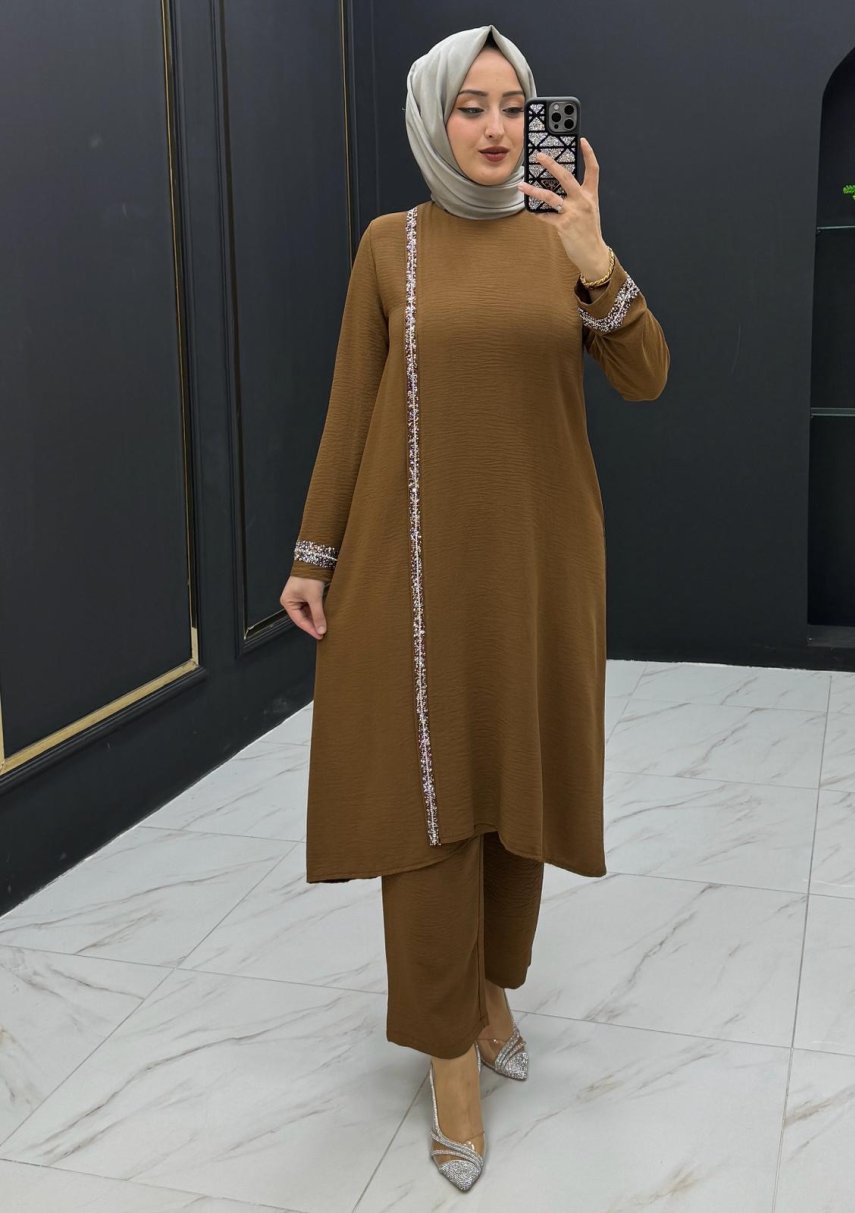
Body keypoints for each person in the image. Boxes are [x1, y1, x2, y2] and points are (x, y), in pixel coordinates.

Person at [279, 23, 669, 1192]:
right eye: (470, 105)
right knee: (426, 813)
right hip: (410, 575)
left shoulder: (562, 241)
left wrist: (598, 261)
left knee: (515, 793)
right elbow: (351, 407)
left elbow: (645, 376)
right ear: (432, 117)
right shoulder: (388, 246)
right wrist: (312, 555)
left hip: (542, 566)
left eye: (512, 104)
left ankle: (494, 986)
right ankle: (449, 1054)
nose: (495, 127)